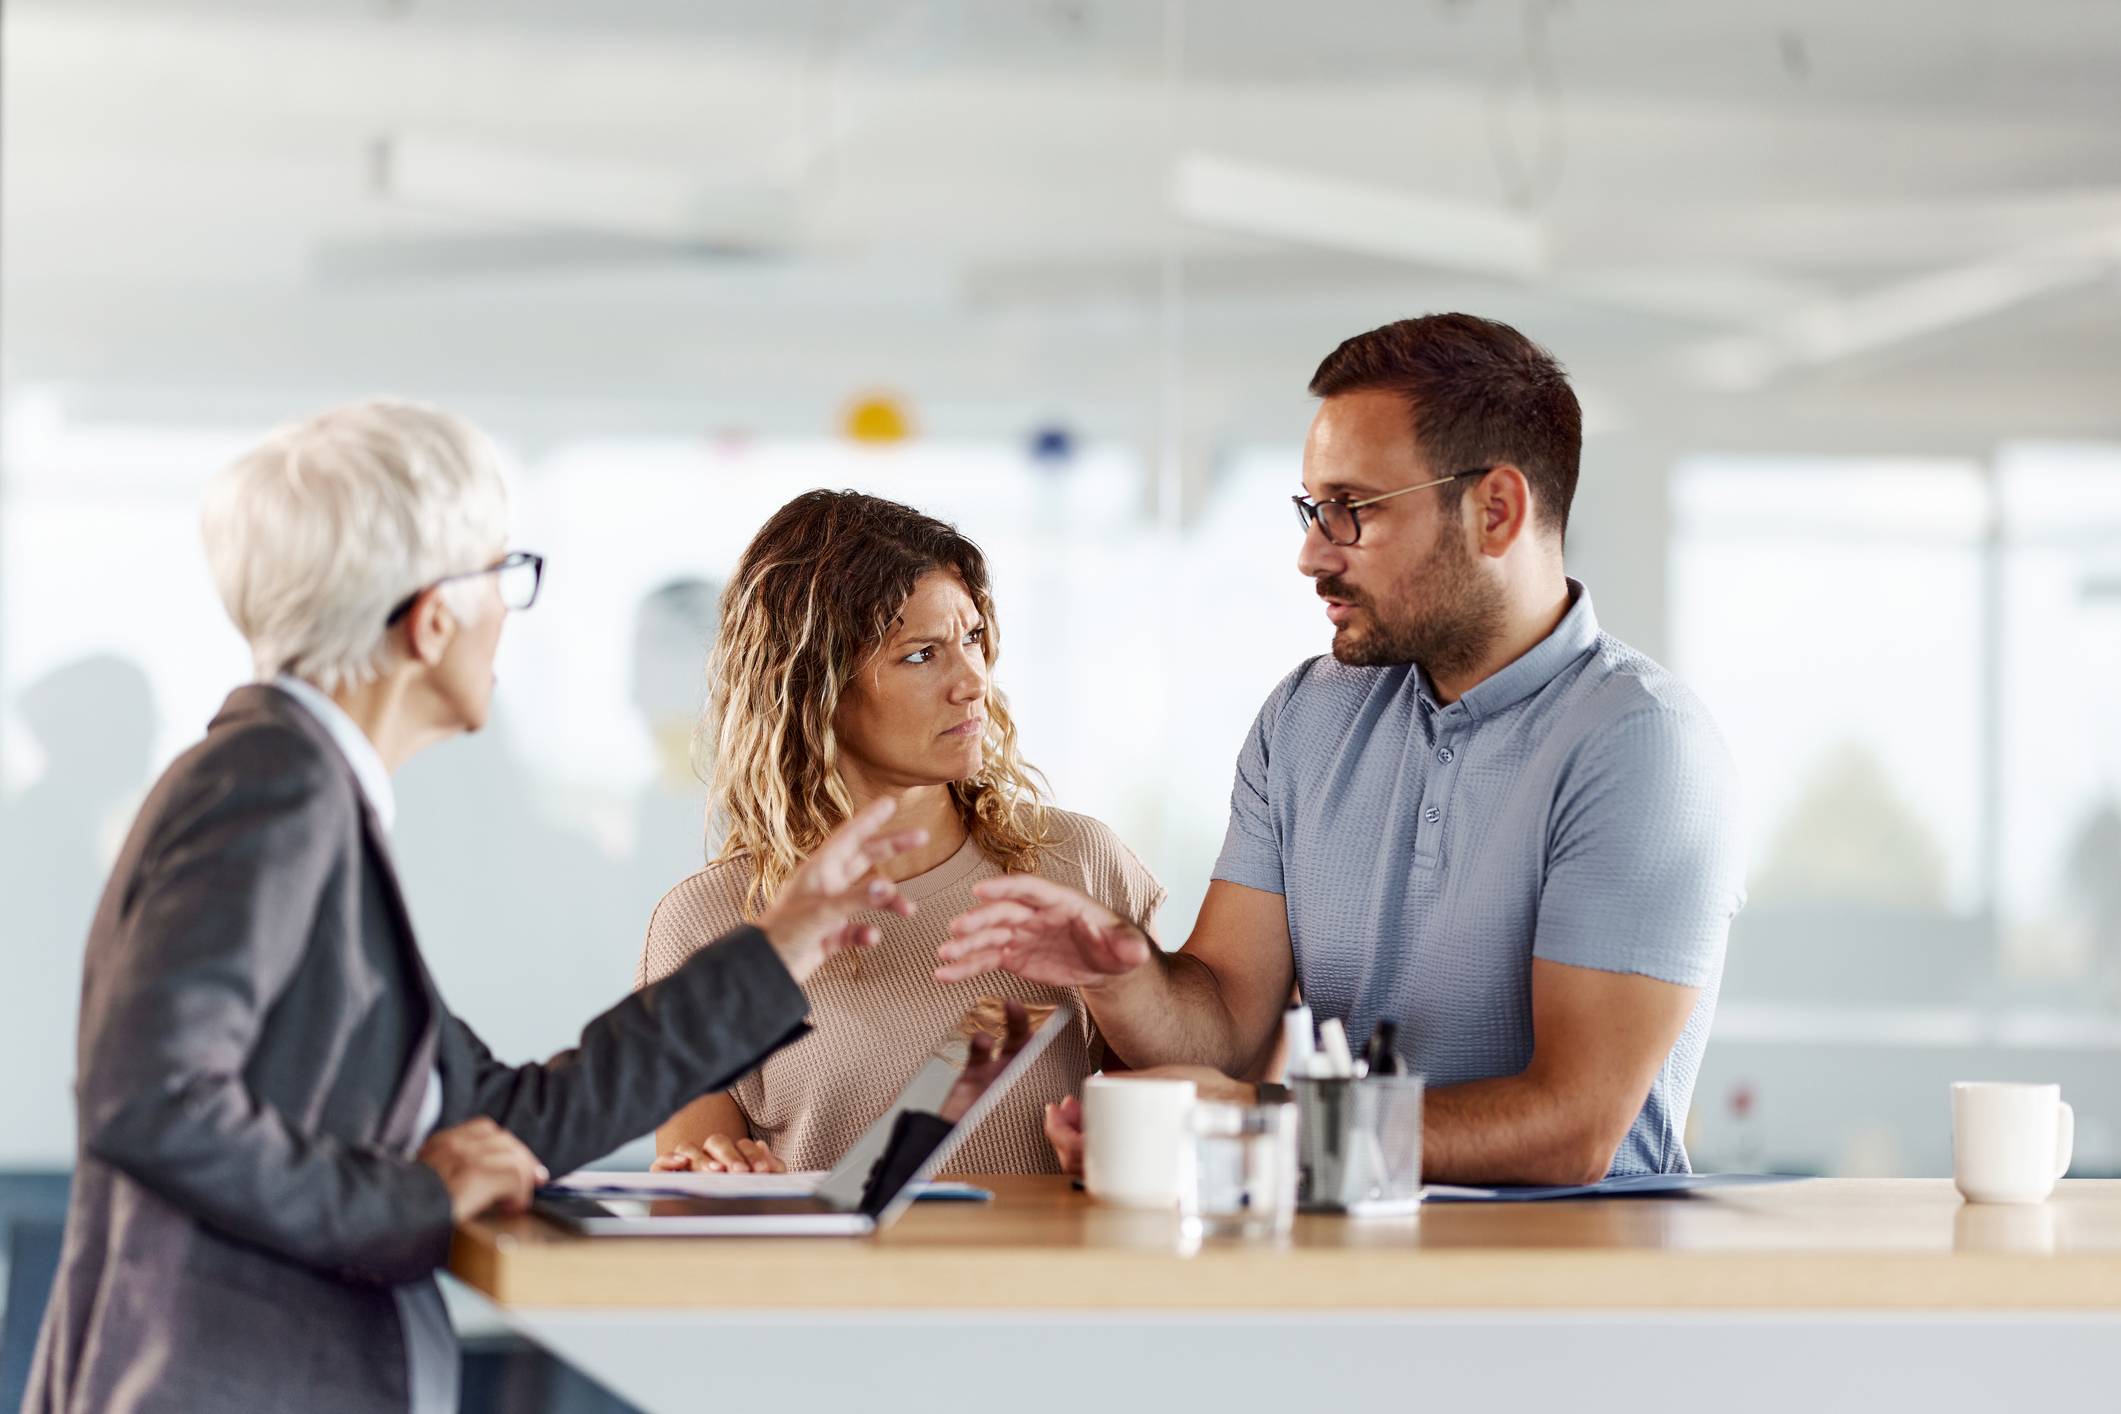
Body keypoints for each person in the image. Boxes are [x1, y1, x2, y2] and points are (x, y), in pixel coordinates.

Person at [25, 402, 928, 1414]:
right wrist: (409, 1201)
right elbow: (153, 1102)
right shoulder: (277, 785)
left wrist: (775, 948)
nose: (512, 611)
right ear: (433, 616)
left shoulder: (308, 789)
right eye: (505, 575)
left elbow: (512, 1117)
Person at [937, 313, 1747, 1186]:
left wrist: (1258, 1130)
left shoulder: (1638, 744)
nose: (1310, 554)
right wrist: (1122, 976)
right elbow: (1229, 1029)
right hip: (1351, 1269)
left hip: (1566, 1294)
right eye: (1312, 509)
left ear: (1496, 511)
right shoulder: (1307, 717)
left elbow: (1572, 1124)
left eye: (1350, 510)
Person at [638, 490, 1163, 1176]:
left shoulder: (1078, 866)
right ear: (811, 686)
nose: (972, 681)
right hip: (828, 1285)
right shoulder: (704, 925)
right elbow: (693, 1199)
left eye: (971, 639)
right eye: (921, 654)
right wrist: (718, 1183)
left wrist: (1126, 1146)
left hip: (1055, 1284)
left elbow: (1180, 1113)